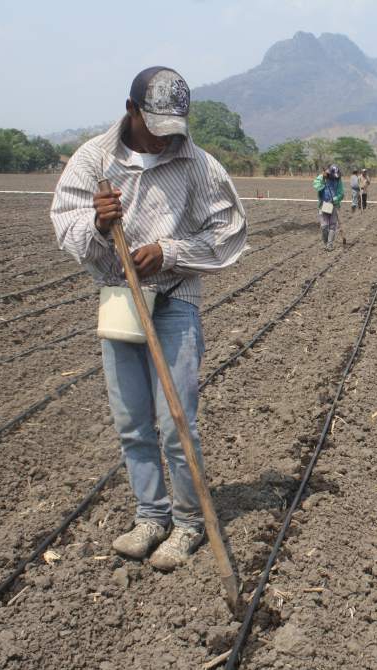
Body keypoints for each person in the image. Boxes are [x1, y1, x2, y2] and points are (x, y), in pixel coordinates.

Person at [51, 66, 247, 571]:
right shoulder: (93, 159)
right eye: (155, 127)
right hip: (119, 302)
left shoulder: (199, 165)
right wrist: (97, 222)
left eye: (173, 129)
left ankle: (186, 525)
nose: (164, 141)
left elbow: (229, 232)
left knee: (177, 423)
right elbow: (64, 224)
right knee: (133, 423)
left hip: (175, 303)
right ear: (132, 110)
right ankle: (150, 516)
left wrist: (171, 251)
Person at [313, 165, 344, 250]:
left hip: (333, 204)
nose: (335, 177)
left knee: (333, 225)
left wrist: (335, 199)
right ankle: (326, 242)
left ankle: (329, 244)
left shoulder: (339, 180)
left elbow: (341, 193)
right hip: (323, 204)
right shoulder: (322, 177)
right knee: (324, 226)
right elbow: (316, 186)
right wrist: (323, 178)